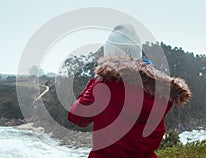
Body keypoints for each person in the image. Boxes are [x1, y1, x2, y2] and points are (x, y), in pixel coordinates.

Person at [68, 24, 191, 158]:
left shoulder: (105, 86)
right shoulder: (159, 91)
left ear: (109, 54)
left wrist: (96, 81)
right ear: (137, 54)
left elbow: (77, 117)